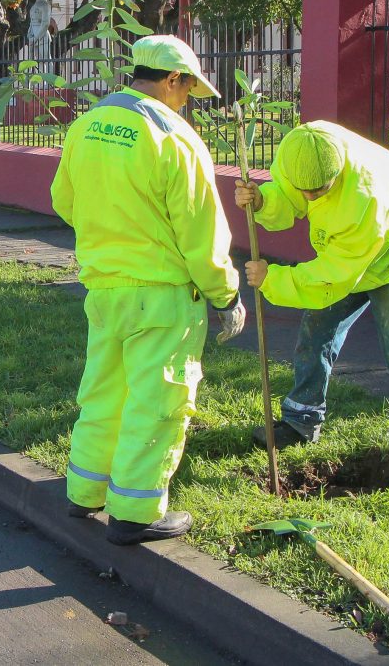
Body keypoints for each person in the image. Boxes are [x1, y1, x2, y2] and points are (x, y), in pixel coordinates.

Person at [51, 34, 246, 546]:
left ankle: (84, 491)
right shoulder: (175, 138)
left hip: (103, 287)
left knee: (104, 393)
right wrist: (226, 294)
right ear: (173, 79)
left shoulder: (86, 124)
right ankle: (136, 512)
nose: (187, 103)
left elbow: (64, 201)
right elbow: (201, 234)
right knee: (157, 401)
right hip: (163, 294)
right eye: (187, 91)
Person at [234, 120, 389, 468]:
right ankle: (302, 419)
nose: (310, 198)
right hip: (349, 252)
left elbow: (335, 274)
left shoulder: (366, 195)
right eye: (306, 189)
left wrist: (274, 278)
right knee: (317, 330)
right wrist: (262, 200)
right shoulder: (299, 150)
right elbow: (289, 195)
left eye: (319, 190)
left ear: (338, 172)